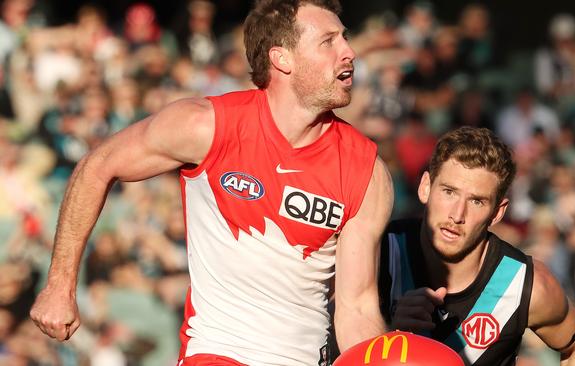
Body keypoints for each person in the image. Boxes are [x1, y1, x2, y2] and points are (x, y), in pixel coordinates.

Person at [29, 1, 393, 365]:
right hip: (217, 352)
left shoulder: (366, 170)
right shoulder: (205, 126)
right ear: (282, 59)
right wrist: (60, 285)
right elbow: (97, 165)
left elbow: (357, 308)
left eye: (345, 38)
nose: (349, 52)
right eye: (328, 41)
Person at [376, 127, 575, 365]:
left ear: (497, 213)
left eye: (477, 201)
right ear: (425, 187)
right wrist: (387, 333)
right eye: (449, 192)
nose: (457, 215)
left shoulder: (525, 285)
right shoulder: (379, 252)